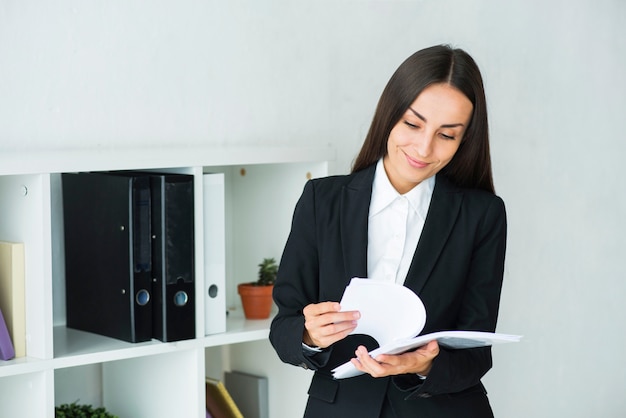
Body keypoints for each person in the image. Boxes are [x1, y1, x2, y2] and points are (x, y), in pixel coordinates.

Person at [269, 44, 507, 418]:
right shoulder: (322, 200)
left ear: (464, 141)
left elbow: (476, 354)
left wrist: (422, 366)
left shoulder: (482, 215)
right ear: (390, 115)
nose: (424, 148)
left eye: (447, 135)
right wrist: (310, 335)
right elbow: (283, 329)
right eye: (413, 124)